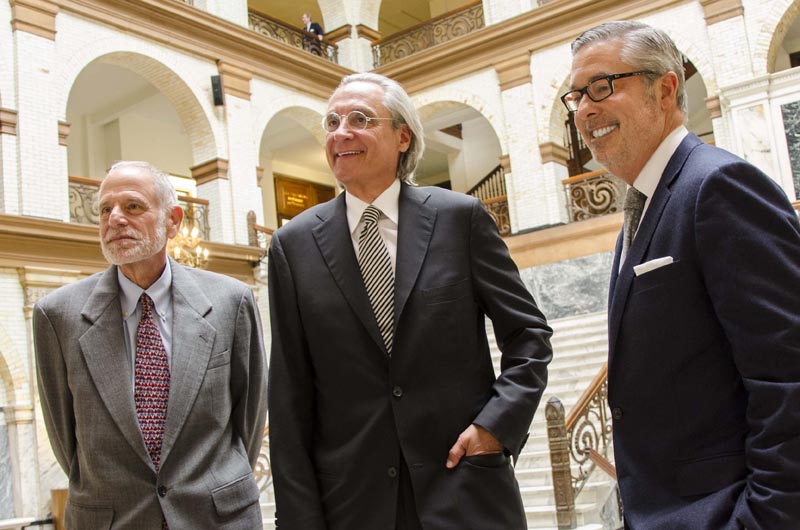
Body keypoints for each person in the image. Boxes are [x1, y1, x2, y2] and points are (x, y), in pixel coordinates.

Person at [267, 72, 553, 530]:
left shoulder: (460, 219)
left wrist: (495, 426)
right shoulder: (292, 245)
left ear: (403, 136)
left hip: (464, 487)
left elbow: (529, 336)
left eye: (360, 119)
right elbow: (288, 397)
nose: (341, 132)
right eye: (332, 121)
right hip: (352, 505)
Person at [563, 21, 800, 530]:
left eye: (603, 86)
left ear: (666, 88)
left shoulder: (717, 185)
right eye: (576, 96)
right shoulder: (646, 203)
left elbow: (788, 378)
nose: (585, 108)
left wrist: (764, 520)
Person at [33, 161, 268, 529]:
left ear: (173, 220)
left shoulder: (230, 301)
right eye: (105, 210)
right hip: (113, 519)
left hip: (218, 518)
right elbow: (66, 439)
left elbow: (249, 419)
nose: (115, 219)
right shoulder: (57, 315)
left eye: (133, 206)